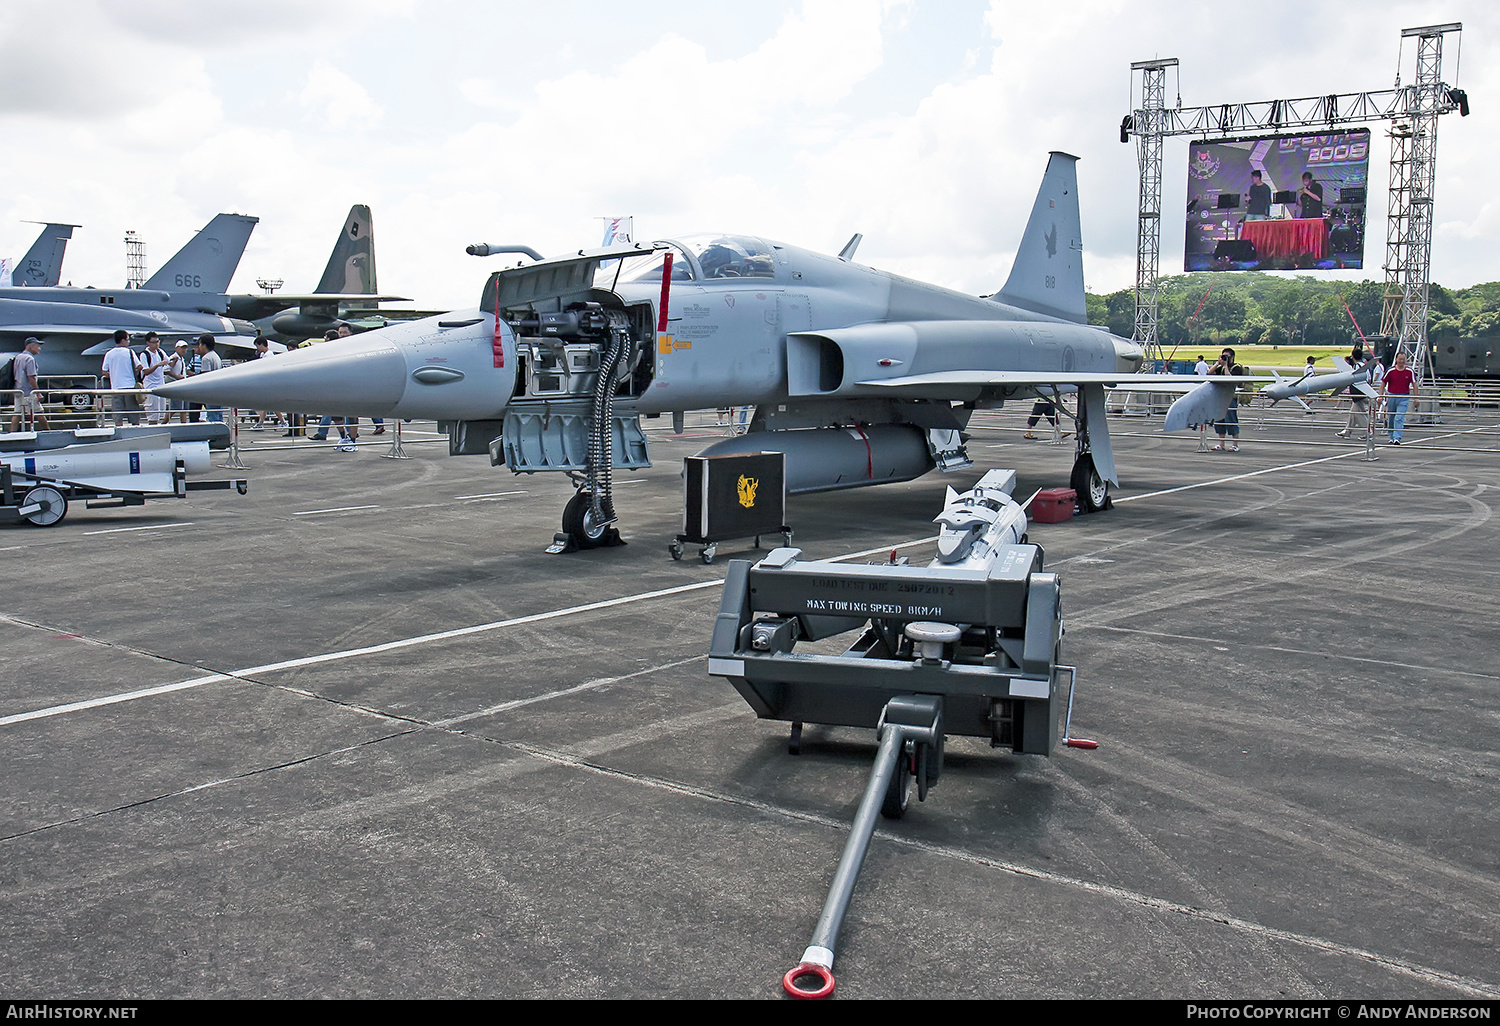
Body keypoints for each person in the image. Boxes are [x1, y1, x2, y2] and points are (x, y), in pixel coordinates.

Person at [101, 329, 141, 425]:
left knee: (117, 414)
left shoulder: (109, 353)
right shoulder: (130, 352)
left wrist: (113, 375)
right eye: (127, 339)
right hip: (130, 387)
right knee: (134, 413)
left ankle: (119, 431)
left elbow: (104, 371)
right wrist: (133, 373)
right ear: (123, 340)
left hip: (116, 387)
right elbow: (139, 366)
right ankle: (136, 431)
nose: (128, 341)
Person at [9, 336, 49, 431]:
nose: (39, 348)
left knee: (17, 413)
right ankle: (47, 432)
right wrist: (37, 393)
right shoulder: (29, 359)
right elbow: (31, 377)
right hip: (28, 392)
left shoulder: (18, 357)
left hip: (18, 390)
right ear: (31, 346)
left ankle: (12, 434)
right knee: (39, 413)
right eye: (37, 346)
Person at [1210, 347, 1242, 452]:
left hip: (1231, 397)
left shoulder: (1236, 368)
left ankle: (1235, 444)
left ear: (1232, 357)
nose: (1225, 358)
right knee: (1219, 420)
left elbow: (1230, 379)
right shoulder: (1221, 367)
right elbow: (1209, 373)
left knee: (1231, 419)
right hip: (1220, 396)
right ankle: (1221, 443)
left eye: (1227, 356)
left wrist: (1226, 366)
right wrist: (1217, 364)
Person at [138, 331, 171, 425]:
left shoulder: (160, 352)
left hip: (161, 385)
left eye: (158, 342)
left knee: (162, 412)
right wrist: (158, 365)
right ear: (148, 343)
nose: (156, 344)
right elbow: (146, 371)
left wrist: (174, 360)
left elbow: (169, 362)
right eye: (154, 342)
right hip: (151, 385)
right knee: (153, 413)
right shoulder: (144, 355)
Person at [1382, 350, 1414, 445]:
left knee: (1399, 418)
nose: (1401, 361)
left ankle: (1397, 438)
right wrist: (1381, 396)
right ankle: (1391, 436)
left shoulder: (1409, 371)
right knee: (1391, 417)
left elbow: (1415, 384)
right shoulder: (1391, 371)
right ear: (1396, 359)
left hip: (1404, 396)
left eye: (1403, 359)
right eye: (1400, 359)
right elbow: (1383, 382)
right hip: (1392, 396)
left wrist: (1416, 398)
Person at [194, 335, 223, 422]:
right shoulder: (215, 356)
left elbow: (205, 377)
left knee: (212, 416)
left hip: (211, 392)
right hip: (219, 391)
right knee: (219, 415)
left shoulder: (206, 358)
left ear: (204, 345)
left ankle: (215, 435)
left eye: (199, 344)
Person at [164, 341, 191, 422]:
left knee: (184, 407)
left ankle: (184, 424)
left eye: (185, 348)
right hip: (176, 384)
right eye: (182, 348)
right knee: (175, 406)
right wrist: (176, 377)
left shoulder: (181, 359)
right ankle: (164, 423)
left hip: (182, 384)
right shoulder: (173, 358)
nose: (184, 350)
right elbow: (166, 370)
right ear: (176, 348)